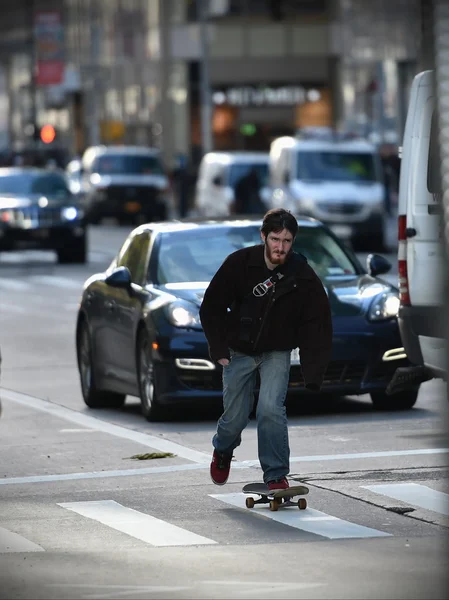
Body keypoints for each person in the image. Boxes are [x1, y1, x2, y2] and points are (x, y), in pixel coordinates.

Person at [199, 208, 333, 490]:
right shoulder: (239, 264)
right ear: (263, 236)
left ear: (293, 241)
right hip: (239, 351)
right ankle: (222, 450)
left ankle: (275, 474)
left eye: (287, 241)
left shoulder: (302, 275)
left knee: (271, 409)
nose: (280, 247)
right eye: (275, 239)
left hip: (277, 351)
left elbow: (317, 323)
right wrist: (219, 346)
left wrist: (313, 371)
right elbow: (211, 306)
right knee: (235, 418)